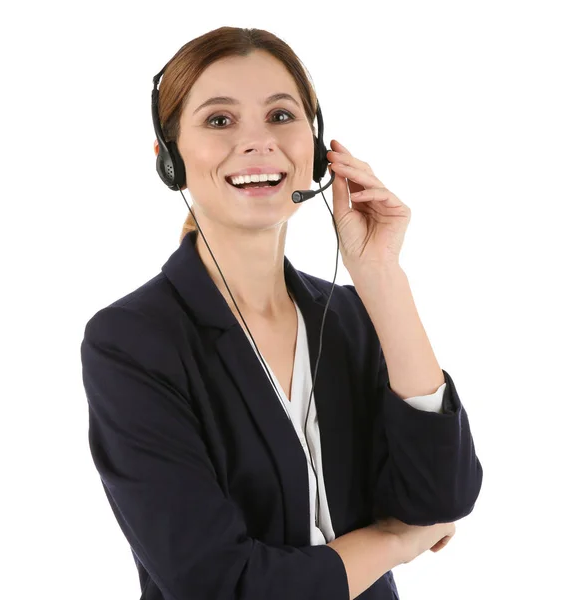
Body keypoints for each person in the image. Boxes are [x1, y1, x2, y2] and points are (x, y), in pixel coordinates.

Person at [80, 26, 483, 600]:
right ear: (169, 158)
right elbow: (220, 585)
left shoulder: (350, 315)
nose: (259, 143)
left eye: (281, 117)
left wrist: (382, 278)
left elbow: (442, 498)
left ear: (317, 150)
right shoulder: (132, 341)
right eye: (220, 121)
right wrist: (396, 543)